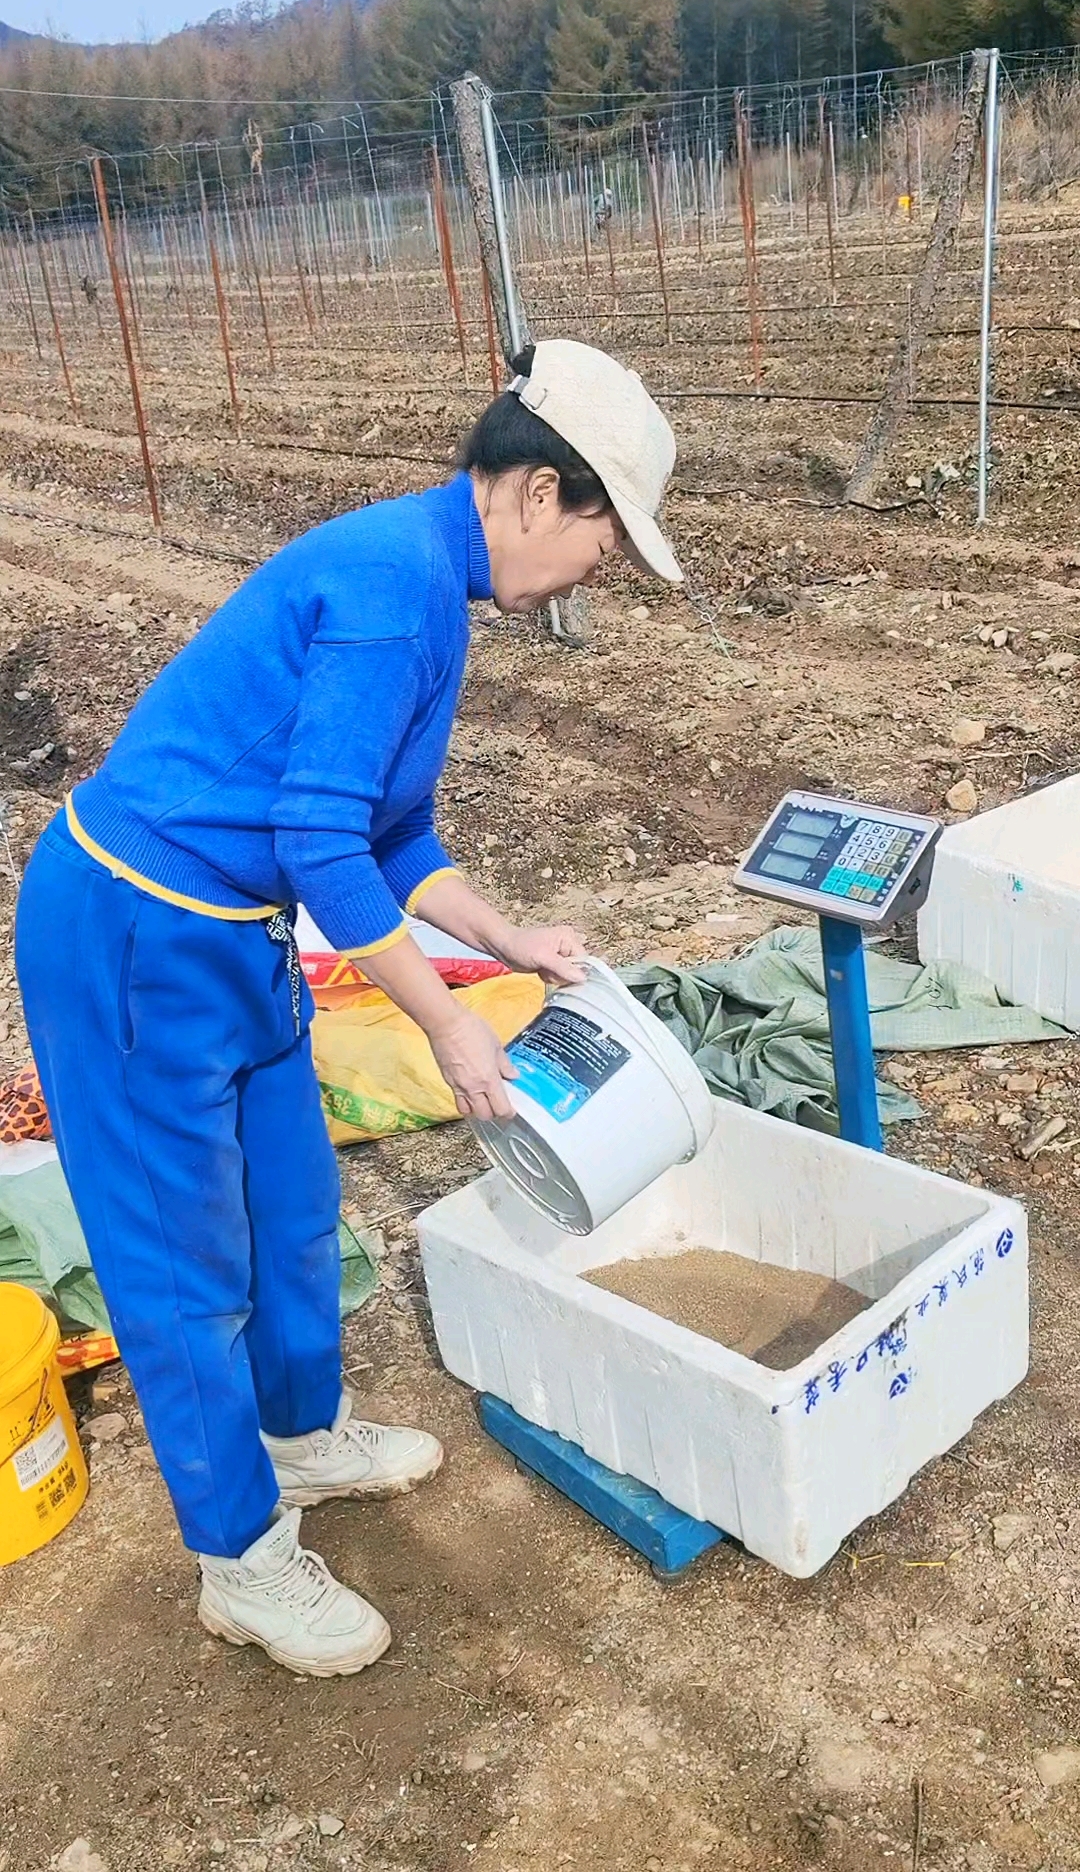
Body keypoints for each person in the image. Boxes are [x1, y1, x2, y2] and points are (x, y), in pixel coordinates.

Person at [15, 339, 683, 1677]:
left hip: (234, 929)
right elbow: (318, 845)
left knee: (291, 1201)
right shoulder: (391, 588)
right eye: (605, 543)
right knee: (184, 1263)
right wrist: (447, 1021)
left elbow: (389, 833)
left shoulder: (437, 585)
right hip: (135, 930)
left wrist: (507, 939)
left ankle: (300, 1436)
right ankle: (241, 1559)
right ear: (539, 494)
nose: (595, 573)